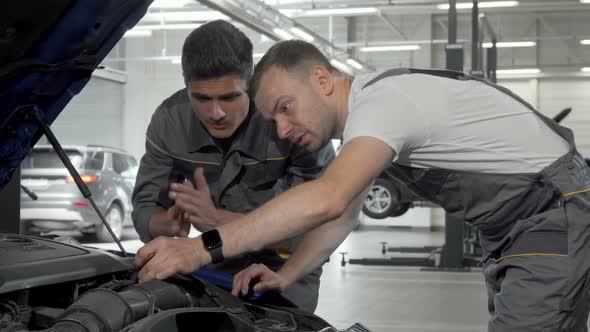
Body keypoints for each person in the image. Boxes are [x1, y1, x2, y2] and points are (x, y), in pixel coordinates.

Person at [134, 39, 590, 331]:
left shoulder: (382, 105)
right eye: (273, 118)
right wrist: (288, 273)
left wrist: (200, 248)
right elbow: (348, 211)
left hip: (549, 211)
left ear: (321, 79)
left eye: (287, 107)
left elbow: (328, 198)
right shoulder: (372, 121)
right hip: (518, 226)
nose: (283, 128)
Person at [131, 23, 336, 312]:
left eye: (229, 97)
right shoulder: (169, 122)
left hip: (283, 264)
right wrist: (165, 224)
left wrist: (218, 220)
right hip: (209, 259)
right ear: (185, 84)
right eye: (201, 98)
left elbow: (316, 229)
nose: (216, 113)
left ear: (250, 82)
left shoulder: (292, 120)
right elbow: (145, 206)